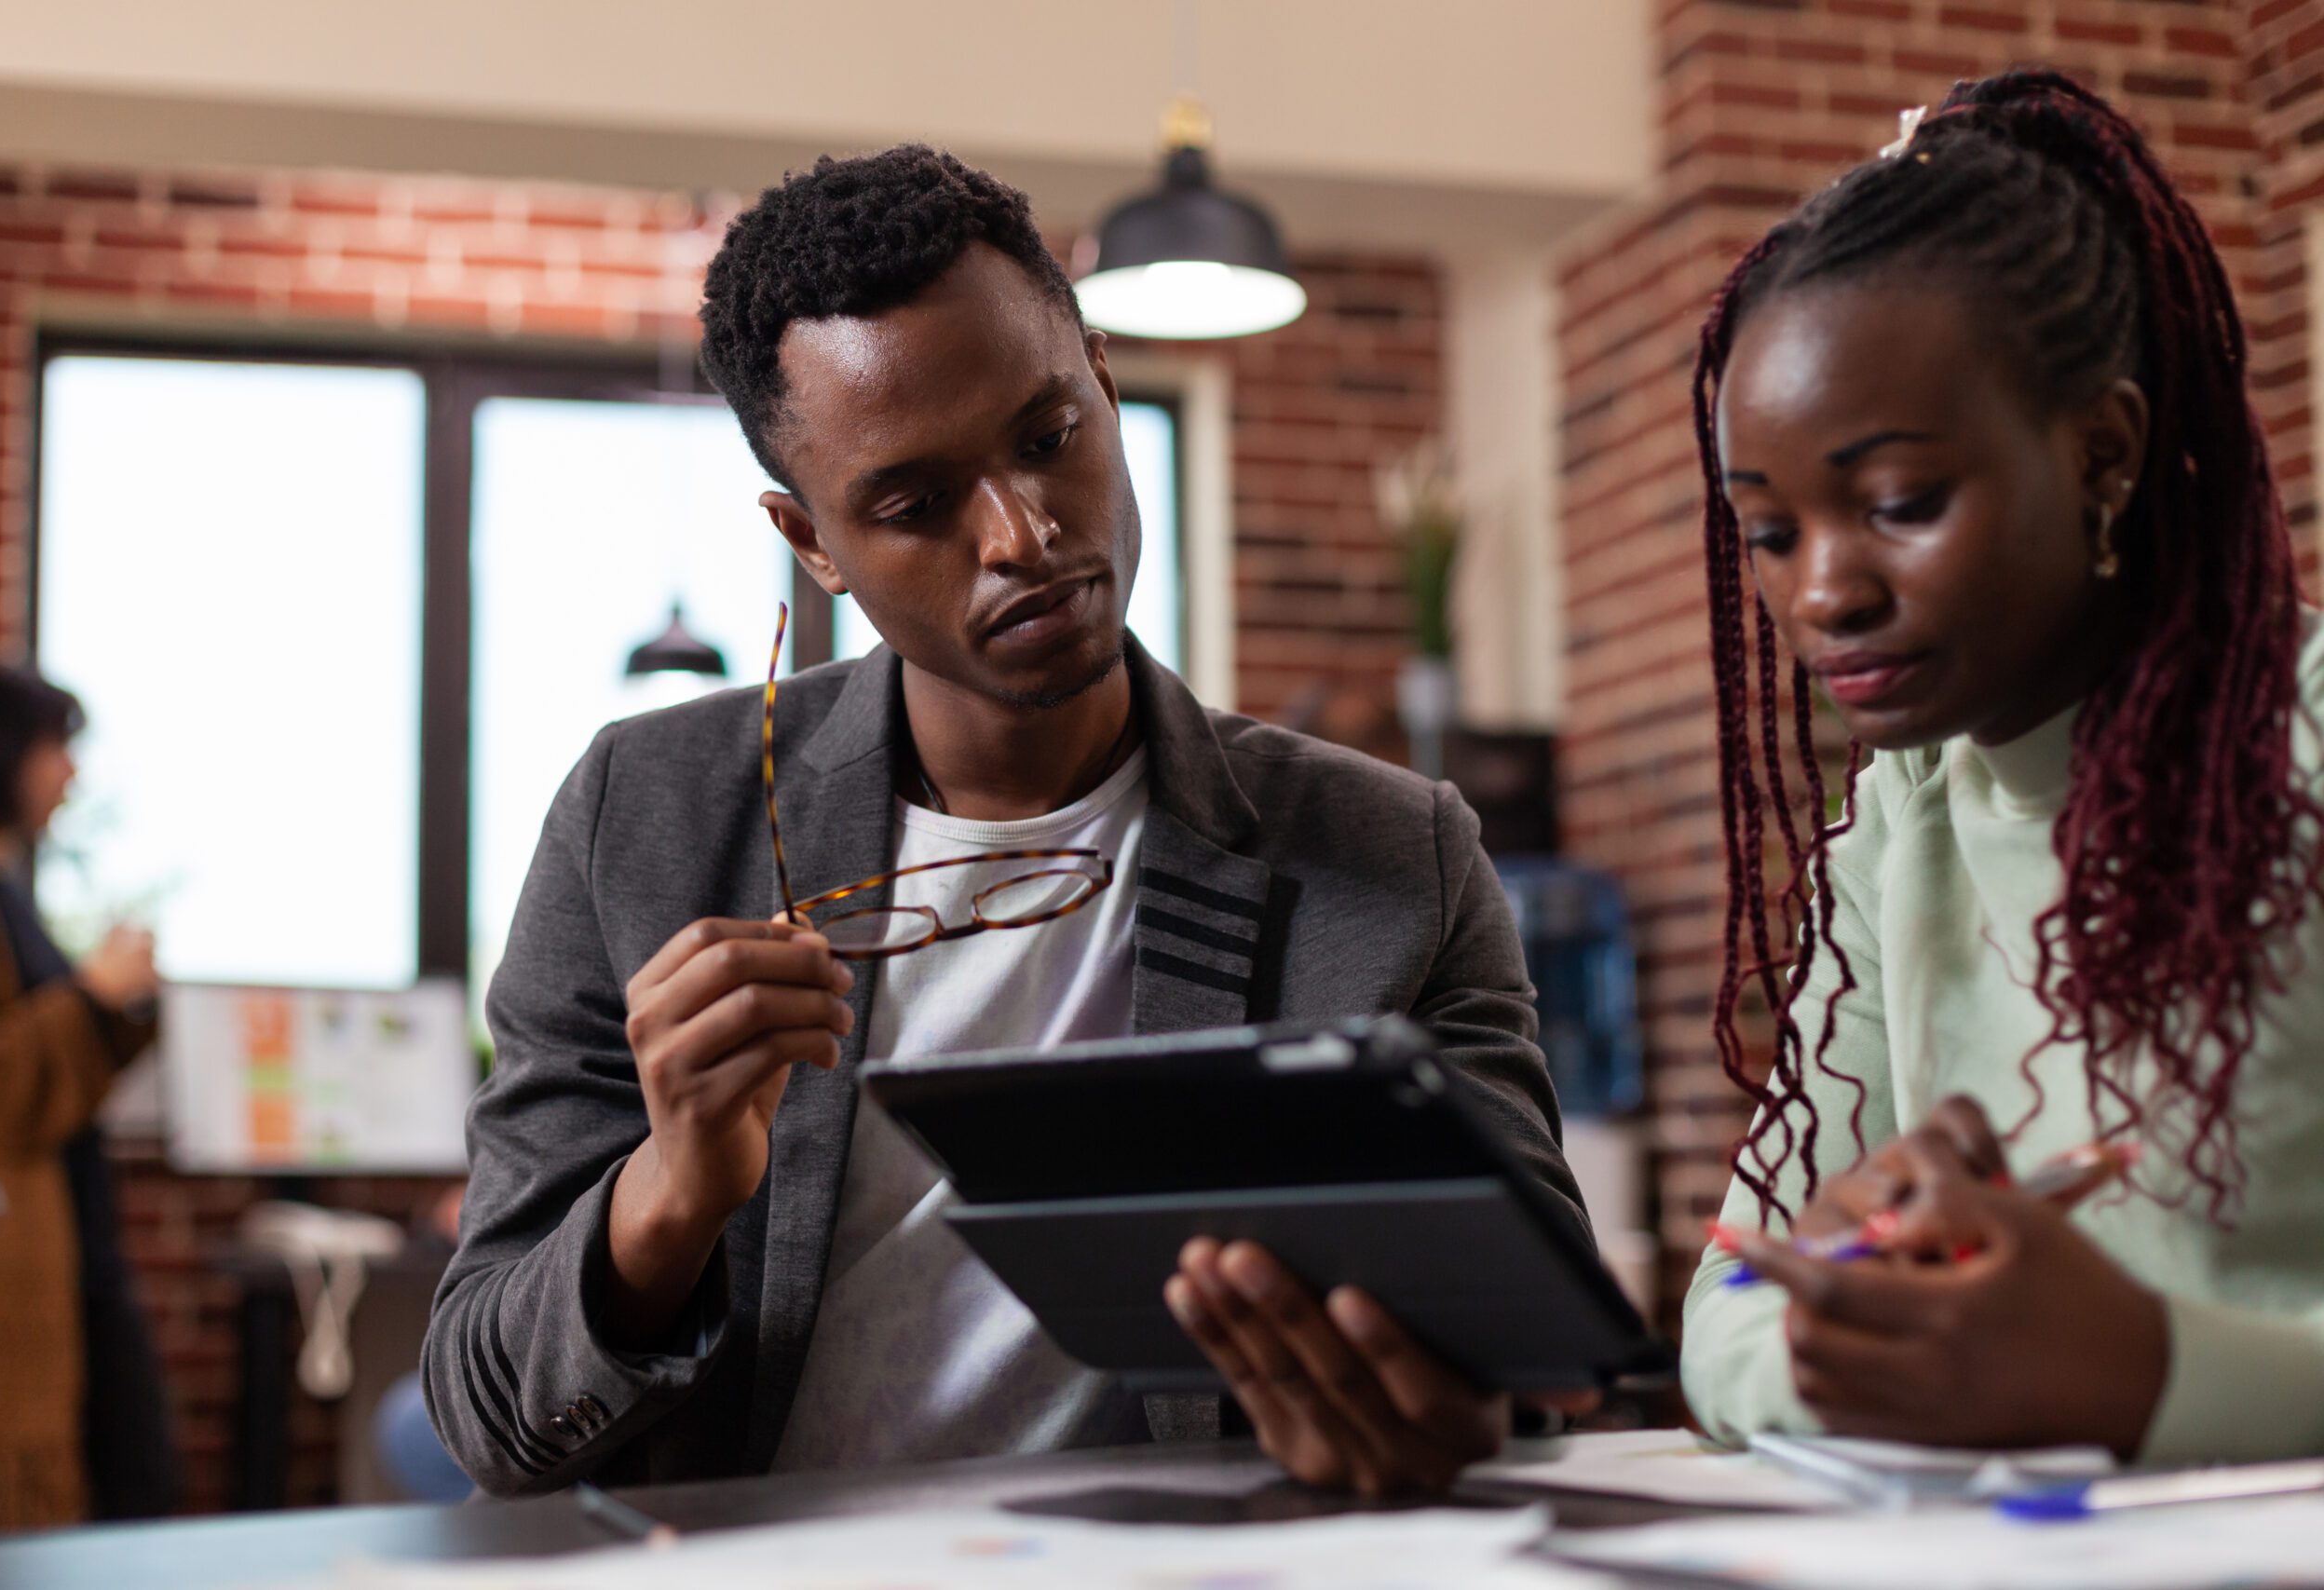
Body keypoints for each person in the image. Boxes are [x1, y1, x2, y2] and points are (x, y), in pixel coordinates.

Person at [425, 145, 1594, 1501]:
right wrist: (674, 1187)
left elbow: (1536, 1373)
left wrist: (1438, 1403)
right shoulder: (650, 818)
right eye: (916, 504)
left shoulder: (1387, 855)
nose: (1023, 533)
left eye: (1049, 438)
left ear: (1102, 378)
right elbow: (490, 1419)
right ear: (812, 542)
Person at [1679, 70, 2324, 1463]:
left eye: (1900, 502)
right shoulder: (1898, 823)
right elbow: (1724, 1307)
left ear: (2102, 452)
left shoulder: (2308, 739)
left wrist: (2150, 1372)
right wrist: (1857, 1320)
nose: (1826, 591)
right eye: (1770, 531)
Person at [0, 667, 175, 1530]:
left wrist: (123, 1004)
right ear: (2, 753)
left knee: (138, 1476)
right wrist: (90, 993)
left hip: (73, 1231)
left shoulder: (4, 889)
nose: (69, 774)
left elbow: (61, 1064)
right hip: (1, 1255)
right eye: (56, 749)